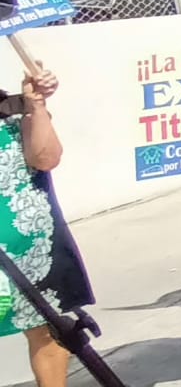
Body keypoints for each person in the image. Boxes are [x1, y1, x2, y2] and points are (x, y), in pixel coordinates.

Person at [0, 66, 94, 387]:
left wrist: (36, 104)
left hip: (32, 253)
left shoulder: (14, 110)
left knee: (46, 332)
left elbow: (46, 158)